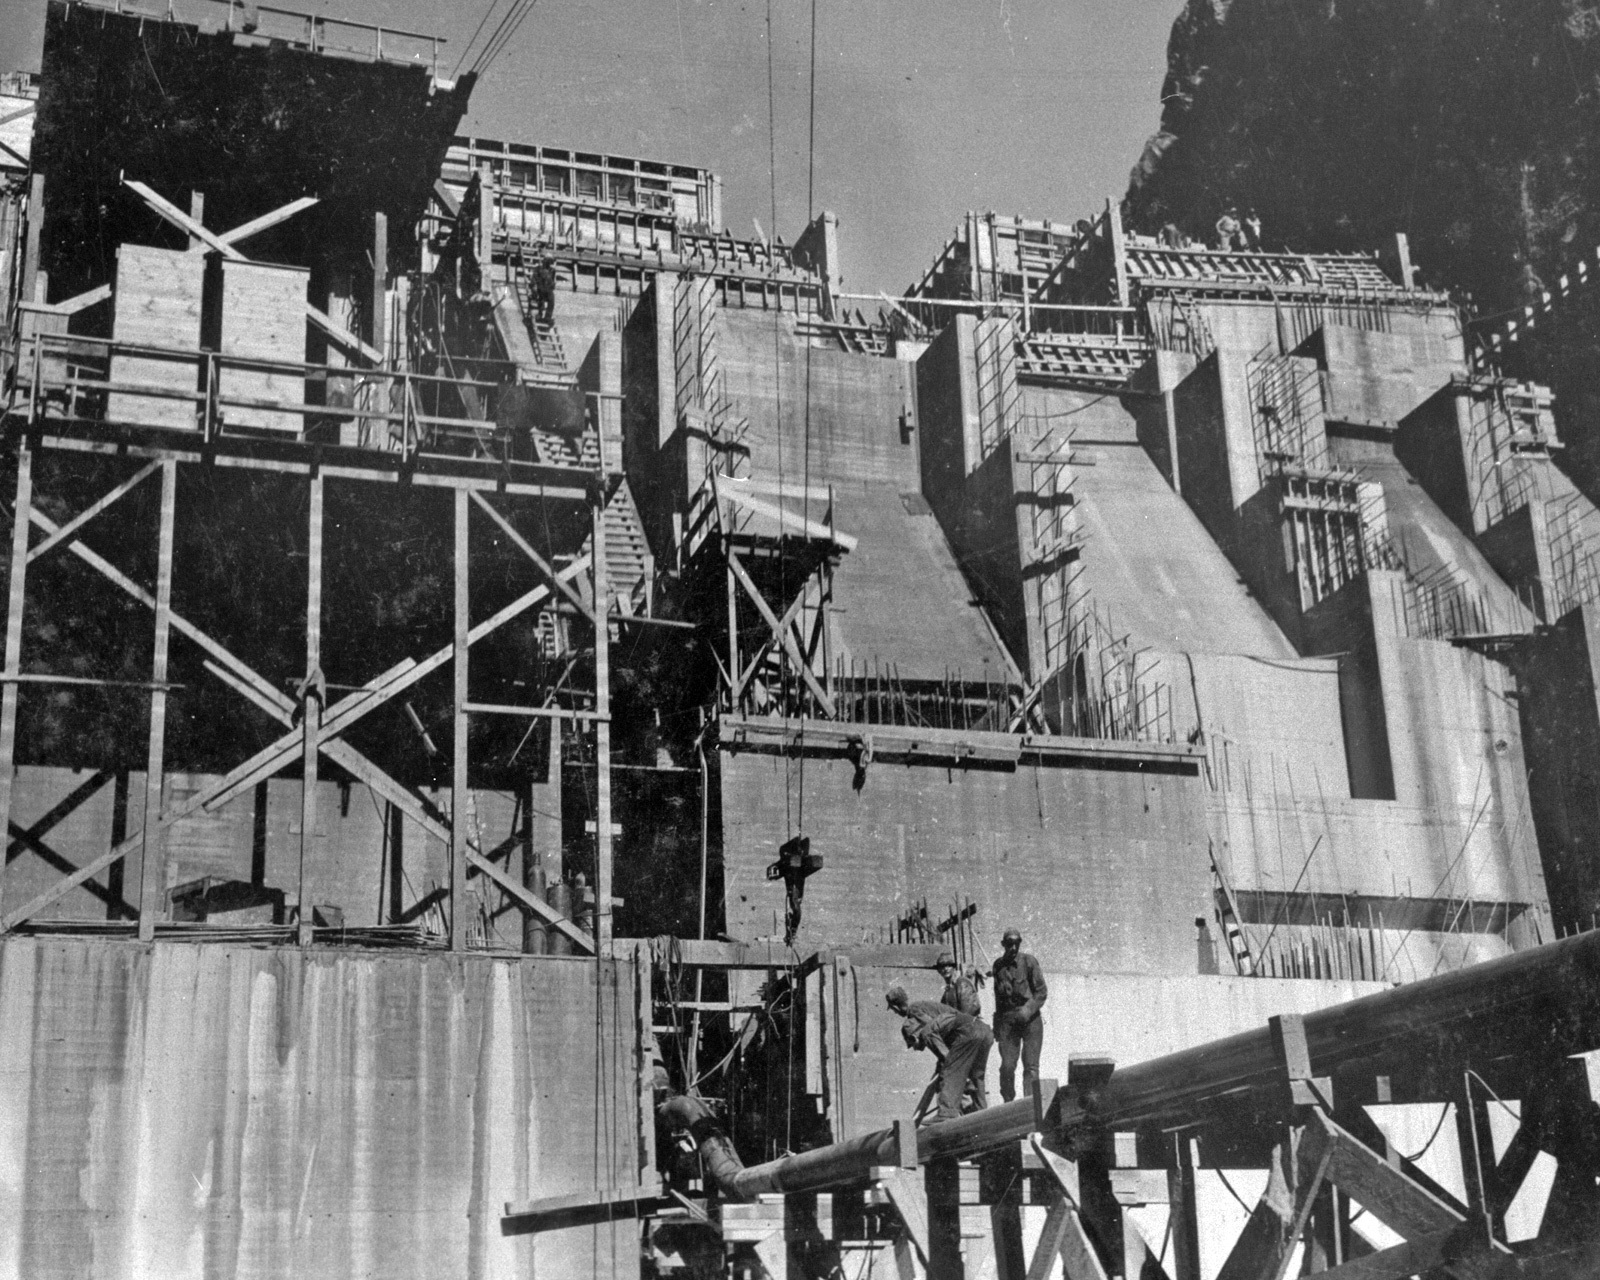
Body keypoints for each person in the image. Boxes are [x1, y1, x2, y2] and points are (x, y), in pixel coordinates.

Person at [885, 985, 992, 1123]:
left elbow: (932, 1028)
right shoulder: (925, 1007)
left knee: (949, 1070)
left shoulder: (916, 1012)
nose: (916, 1049)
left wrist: (947, 1063)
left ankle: (946, 1114)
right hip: (982, 1031)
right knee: (977, 1076)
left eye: (913, 1044)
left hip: (966, 1032)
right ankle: (982, 1113)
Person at [991, 927, 1047, 1103]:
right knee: (1007, 1066)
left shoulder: (1029, 962)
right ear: (1003, 944)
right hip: (1008, 1020)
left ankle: (1030, 1105)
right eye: (1009, 944)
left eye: (1016, 943)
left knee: (1030, 1067)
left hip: (1030, 1019)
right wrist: (997, 1026)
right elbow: (998, 1000)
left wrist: (1027, 1010)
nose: (1013, 947)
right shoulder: (998, 966)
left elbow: (1041, 992)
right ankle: (1008, 1103)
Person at [936, 951, 980, 1016]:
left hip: (966, 1024)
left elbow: (967, 1013)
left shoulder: (962, 983)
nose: (945, 969)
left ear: (954, 967)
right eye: (942, 966)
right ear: (939, 971)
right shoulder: (948, 991)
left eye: (949, 966)